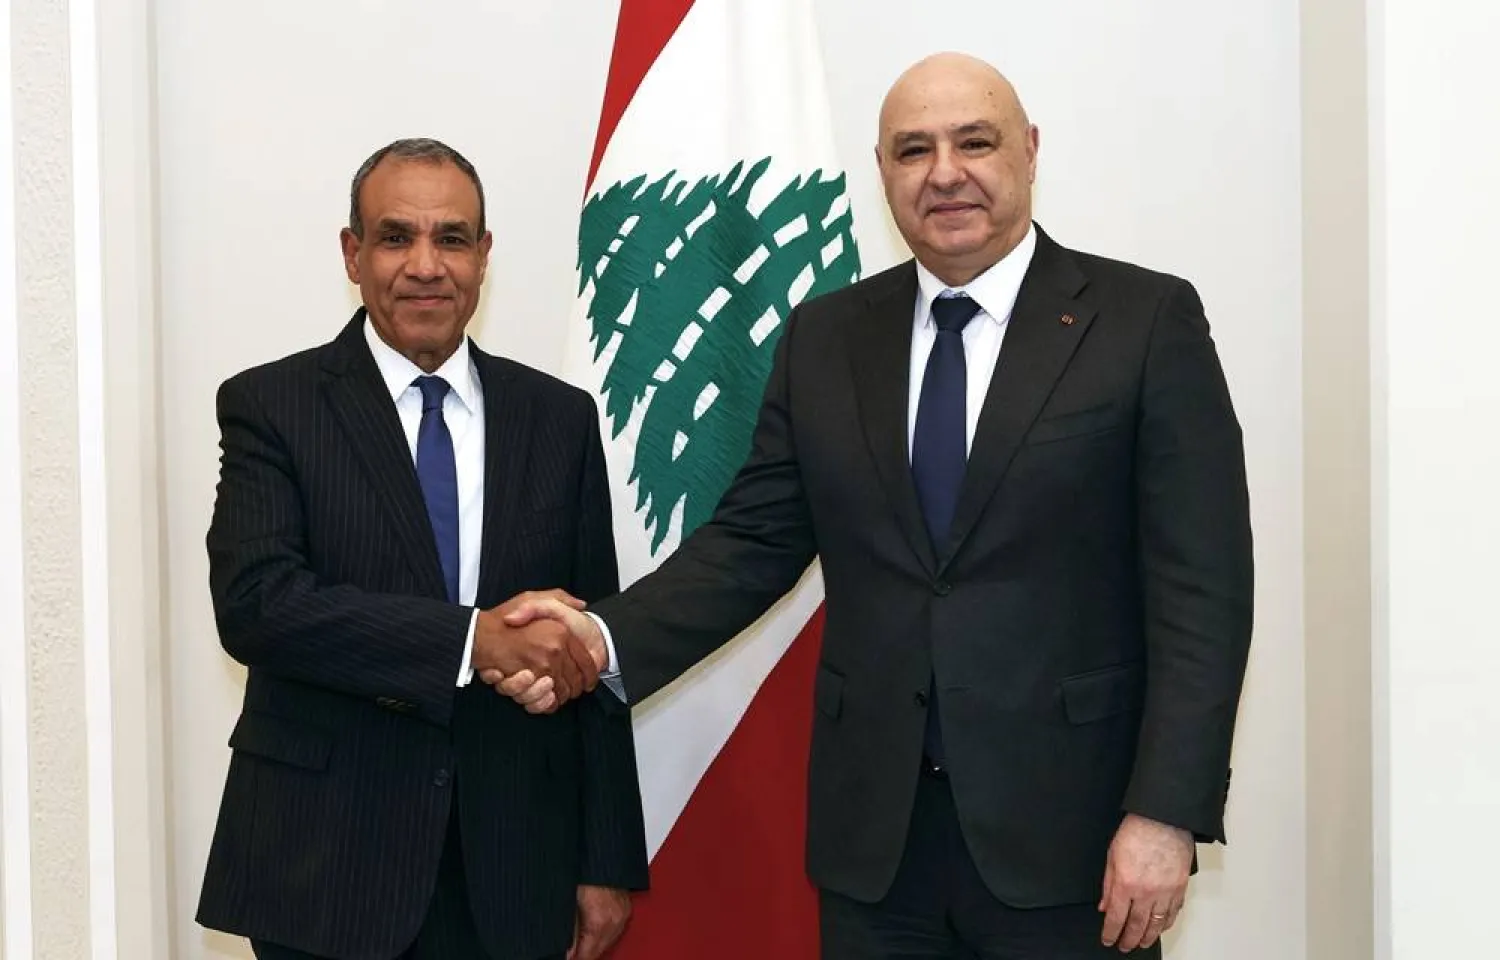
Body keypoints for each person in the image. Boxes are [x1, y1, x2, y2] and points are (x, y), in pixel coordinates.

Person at [489, 52, 1254, 959]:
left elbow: (1203, 593)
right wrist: (596, 639)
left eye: (975, 141)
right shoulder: (827, 336)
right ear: (882, 169)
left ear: (1030, 150)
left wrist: (1165, 813)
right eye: (912, 150)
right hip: (876, 851)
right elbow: (750, 544)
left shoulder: (1144, 321)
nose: (945, 172)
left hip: (1074, 840)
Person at [196, 138, 648, 960]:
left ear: (483, 256)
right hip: (329, 864)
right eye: (397, 236)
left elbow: (594, 652)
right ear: (352, 254)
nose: (425, 265)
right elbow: (258, 606)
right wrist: (475, 642)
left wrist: (606, 860)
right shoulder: (272, 405)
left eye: (451, 239)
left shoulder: (560, 419)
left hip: (515, 867)